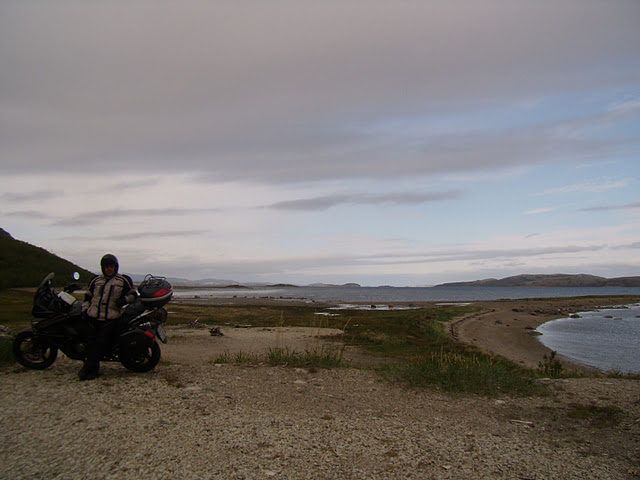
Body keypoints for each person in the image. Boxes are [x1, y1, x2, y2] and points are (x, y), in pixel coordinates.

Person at [78, 254, 137, 380]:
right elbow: (88, 297)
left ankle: (88, 369)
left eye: (111, 266)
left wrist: (124, 300)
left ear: (115, 267)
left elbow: (133, 295)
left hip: (110, 317)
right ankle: (91, 368)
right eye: (106, 266)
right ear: (103, 268)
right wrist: (84, 310)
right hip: (93, 316)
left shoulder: (123, 280)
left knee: (100, 343)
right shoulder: (96, 280)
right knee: (90, 342)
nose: (109, 269)